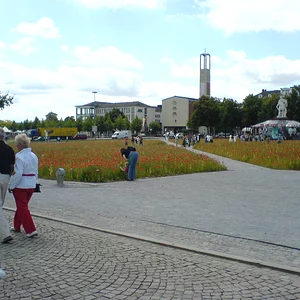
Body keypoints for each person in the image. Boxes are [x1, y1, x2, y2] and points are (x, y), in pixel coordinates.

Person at [8, 134, 39, 238]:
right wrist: (35, 182)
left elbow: (18, 174)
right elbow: (36, 171)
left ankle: (31, 229)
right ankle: (16, 226)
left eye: (17, 144)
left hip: (21, 186)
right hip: (31, 184)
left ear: (20, 145)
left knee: (22, 208)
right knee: (22, 207)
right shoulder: (34, 156)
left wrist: (11, 186)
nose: (16, 146)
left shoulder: (19, 156)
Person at [0, 127, 15, 244]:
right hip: (5, 177)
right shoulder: (10, 149)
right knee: (1, 204)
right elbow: (11, 167)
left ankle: (5, 233)